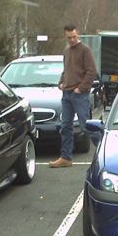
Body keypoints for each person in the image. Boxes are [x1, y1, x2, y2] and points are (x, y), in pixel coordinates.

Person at [49, 24, 98, 168]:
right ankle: (66, 158)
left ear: (78, 35)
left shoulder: (85, 50)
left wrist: (81, 89)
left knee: (86, 126)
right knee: (66, 127)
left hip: (79, 95)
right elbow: (66, 70)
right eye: (69, 37)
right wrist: (61, 82)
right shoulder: (66, 51)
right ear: (65, 36)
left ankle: (104, 155)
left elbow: (92, 72)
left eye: (74, 37)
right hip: (67, 94)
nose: (72, 40)